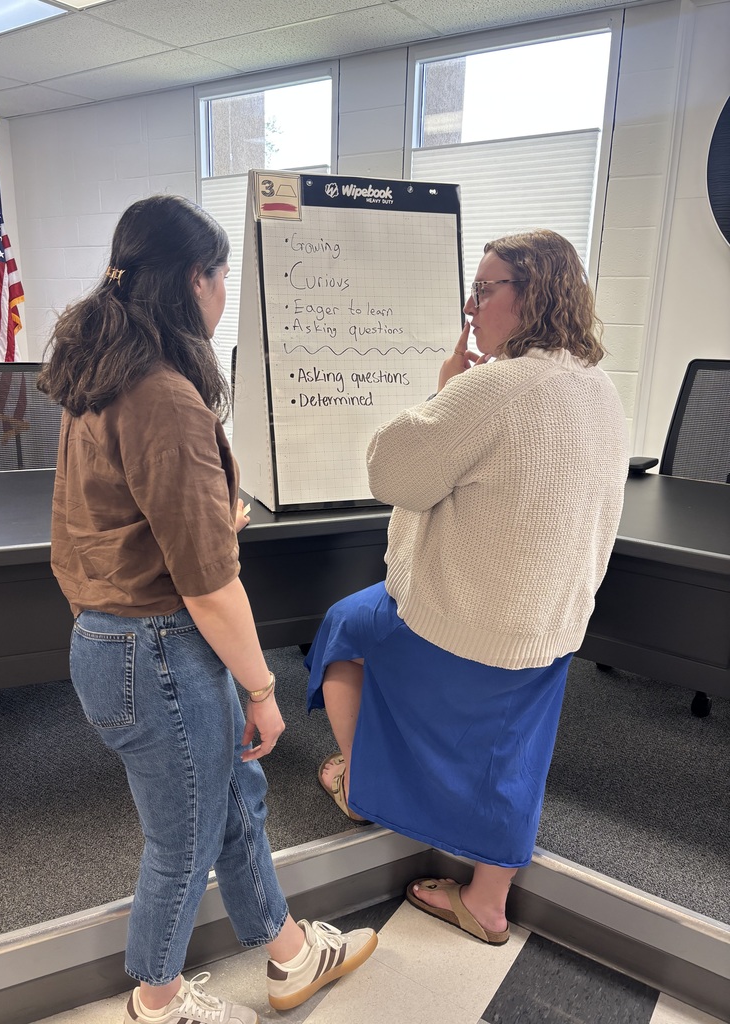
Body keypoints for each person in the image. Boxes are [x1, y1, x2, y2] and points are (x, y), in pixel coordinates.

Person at [37, 194, 376, 1024]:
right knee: (184, 840)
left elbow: (110, 522)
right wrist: (261, 690)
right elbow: (209, 586)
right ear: (195, 280)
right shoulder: (162, 396)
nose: (225, 294)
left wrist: (206, 518)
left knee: (230, 805)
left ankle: (291, 956)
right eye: (222, 277)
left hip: (114, 638)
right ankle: (156, 1001)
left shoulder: (102, 374)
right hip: (158, 651)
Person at [306, 229, 629, 946]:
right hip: (550, 625)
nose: (471, 305)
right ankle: (487, 899)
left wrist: (446, 389)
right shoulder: (599, 386)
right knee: (521, 740)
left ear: (532, 296)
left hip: (467, 628)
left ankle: (360, 787)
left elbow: (392, 473)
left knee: (342, 630)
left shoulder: (495, 386)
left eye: (485, 291)